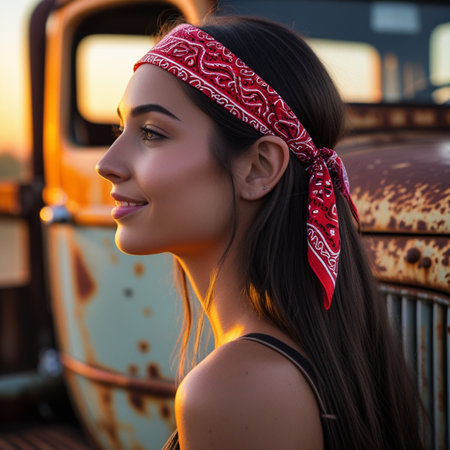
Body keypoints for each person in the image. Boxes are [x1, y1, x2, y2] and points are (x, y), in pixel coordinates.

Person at [97, 16, 424, 450]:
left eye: (152, 133)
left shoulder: (234, 392)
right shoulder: (326, 353)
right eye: (121, 130)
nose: (107, 163)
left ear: (259, 168)